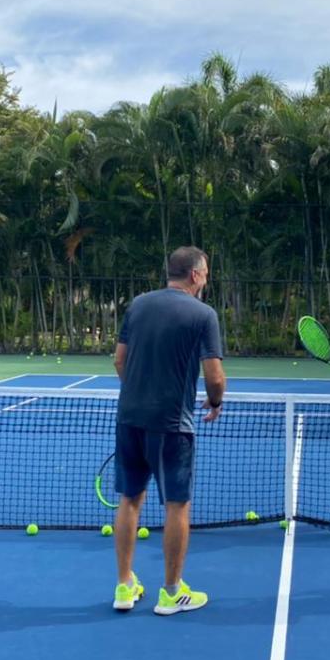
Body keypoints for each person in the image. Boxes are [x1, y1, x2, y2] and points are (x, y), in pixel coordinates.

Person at [112, 246, 226, 615]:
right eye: (205, 273)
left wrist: (138, 393)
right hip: (172, 425)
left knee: (130, 499)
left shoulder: (138, 304)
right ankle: (172, 591)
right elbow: (214, 375)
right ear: (194, 275)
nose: (206, 279)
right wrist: (216, 400)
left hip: (129, 417)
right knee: (177, 504)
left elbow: (119, 359)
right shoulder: (204, 315)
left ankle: (125, 586)